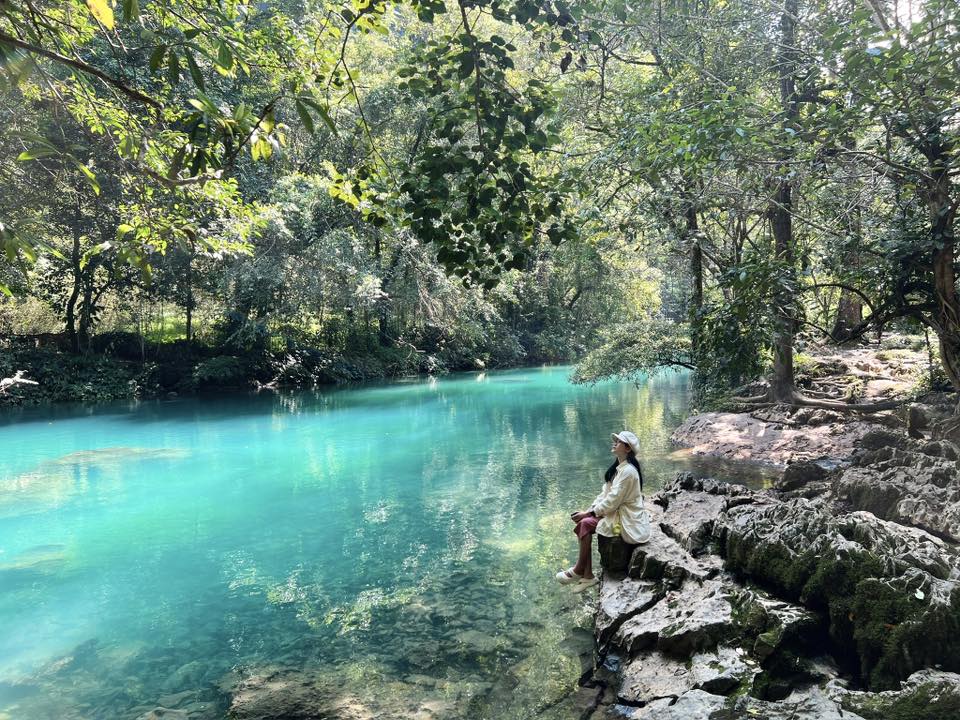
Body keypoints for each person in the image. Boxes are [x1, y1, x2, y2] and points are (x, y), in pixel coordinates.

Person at [556, 430, 650, 585]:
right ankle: (587, 576)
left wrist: (589, 514)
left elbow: (613, 501)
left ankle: (580, 571)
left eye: (618, 442)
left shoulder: (628, 472)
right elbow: (604, 495)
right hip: (615, 511)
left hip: (625, 518)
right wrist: (589, 510)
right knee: (583, 523)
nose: (614, 443)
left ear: (627, 449)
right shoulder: (618, 469)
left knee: (585, 524)